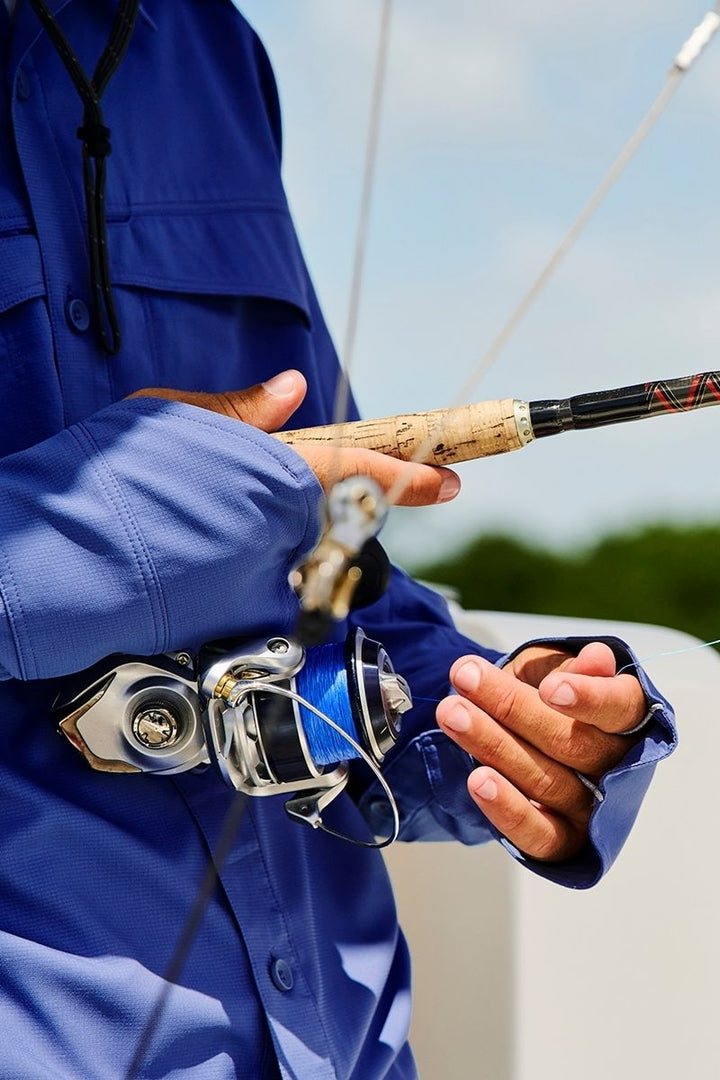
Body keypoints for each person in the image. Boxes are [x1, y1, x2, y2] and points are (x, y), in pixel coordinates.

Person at [0, 2, 675, 1078]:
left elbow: (327, 568)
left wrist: (511, 727)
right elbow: (229, 499)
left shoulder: (216, 53)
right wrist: (150, 505)